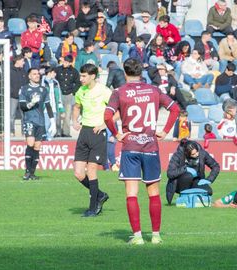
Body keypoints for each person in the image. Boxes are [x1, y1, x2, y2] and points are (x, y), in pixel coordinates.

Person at [104, 58, 180, 245]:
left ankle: (137, 236)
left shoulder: (119, 92)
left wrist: (117, 134)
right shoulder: (154, 90)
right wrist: (164, 131)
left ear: (124, 71)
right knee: (153, 193)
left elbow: (107, 117)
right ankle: (155, 235)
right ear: (141, 72)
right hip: (150, 146)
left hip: (130, 147)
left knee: (132, 193)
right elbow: (175, 109)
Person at [72, 63, 111, 218]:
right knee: (78, 173)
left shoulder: (104, 91)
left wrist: (104, 124)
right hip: (85, 132)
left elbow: (117, 111)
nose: (81, 79)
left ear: (93, 76)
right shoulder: (81, 91)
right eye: (80, 75)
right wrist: (75, 121)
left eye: (84, 76)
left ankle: (93, 208)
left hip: (97, 132)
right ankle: (100, 195)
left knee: (92, 170)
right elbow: (76, 107)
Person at [19, 68, 56, 180]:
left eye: (38, 74)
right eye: (34, 74)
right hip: (29, 120)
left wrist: (52, 121)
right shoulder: (24, 89)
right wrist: (31, 103)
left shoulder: (43, 89)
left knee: (37, 146)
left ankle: (32, 172)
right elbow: (22, 106)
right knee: (30, 143)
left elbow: (48, 106)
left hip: (41, 121)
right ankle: (27, 171)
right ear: (29, 76)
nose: (37, 76)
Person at [166, 139, 220, 204]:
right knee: (188, 176)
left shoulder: (202, 153)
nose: (197, 154)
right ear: (187, 154)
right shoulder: (178, 155)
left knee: (208, 191)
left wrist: (209, 179)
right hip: (180, 183)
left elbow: (215, 166)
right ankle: (183, 198)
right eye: (193, 154)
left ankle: (192, 196)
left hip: (196, 180)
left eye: (197, 152)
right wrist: (185, 169)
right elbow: (170, 173)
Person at [55, 55, 80, 137]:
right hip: (59, 94)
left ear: (70, 63)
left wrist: (73, 92)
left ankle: (66, 132)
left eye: (66, 62)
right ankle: (57, 132)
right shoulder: (58, 69)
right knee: (58, 114)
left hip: (69, 94)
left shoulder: (74, 71)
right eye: (64, 61)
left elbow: (78, 83)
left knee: (67, 114)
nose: (64, 63)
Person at [41, 67, 65, 140]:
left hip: (54, 108)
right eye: (54, 73)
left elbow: (59, 97)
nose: (55, 74)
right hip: (45, 109)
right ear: (49, 73)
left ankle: (49, 140)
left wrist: (61, 110)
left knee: (52, 126)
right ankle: (44, 141)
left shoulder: (55, 82)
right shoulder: (42, 81)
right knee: (45, 125)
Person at [10, 55, 28, 136]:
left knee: (24, 116)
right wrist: (12, 92)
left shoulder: (23, 71)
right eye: (22, 61)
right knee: (11, 115)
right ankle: (11, 131)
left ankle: (24, 132)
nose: (23, 63)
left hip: (22, 97)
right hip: (13, 97)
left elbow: (26, 83)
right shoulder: (10, 71)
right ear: (17, 61)